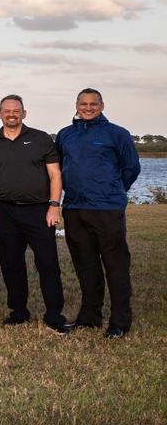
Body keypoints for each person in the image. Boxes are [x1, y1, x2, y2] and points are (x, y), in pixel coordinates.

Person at [0, 95, 69, 334]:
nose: (11, 114)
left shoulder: (40, 138)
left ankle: (54, 315)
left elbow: (55, 174)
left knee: (48, 262)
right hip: (4, 210)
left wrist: (54, 205)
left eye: (16, 110)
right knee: (11, 263)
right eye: (6, 110)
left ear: (24, 113)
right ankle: (18, 311)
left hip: (39, 211)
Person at [56, 88, 140, 338]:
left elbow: (131, 168)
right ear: (76, 105)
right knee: (85, 265)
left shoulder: (117, 133)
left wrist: (112, 190)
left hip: (107, 208)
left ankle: (120, 322)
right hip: (74, 208)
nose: (88, 107)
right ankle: (89, 317)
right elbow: (60, 168)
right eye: (83, 103)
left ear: (102, 106)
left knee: (115, 265)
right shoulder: (65, 135)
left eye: (93, 103)